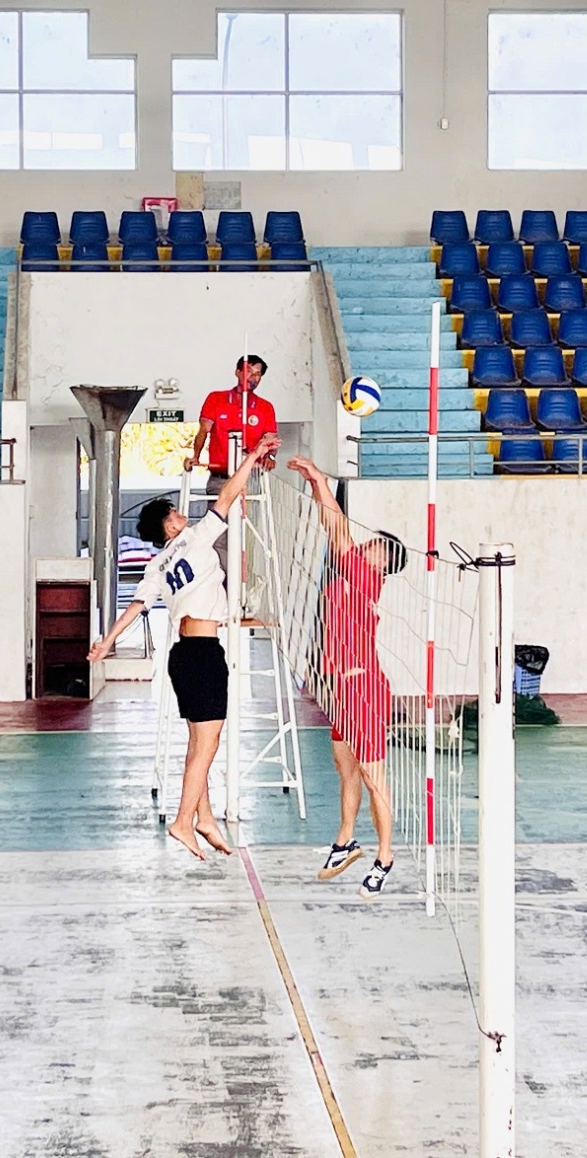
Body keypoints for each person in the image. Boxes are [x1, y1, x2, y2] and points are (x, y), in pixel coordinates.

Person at [90, 431, 280, 860]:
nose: (183, 516)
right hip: (204, 653)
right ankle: (182, 821)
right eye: (176, 513)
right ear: (171, 524)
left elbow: (136, 607)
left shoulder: (157, 565)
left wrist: (107, 643)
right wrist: (253, 455)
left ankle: (205, 817)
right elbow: (228, 495)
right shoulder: (194, 538)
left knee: (198, 743)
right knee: (207, 745)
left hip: (182, 656)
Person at [288, 456, 408, 899]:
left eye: (374, 544)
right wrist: (316, 487)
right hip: (341, 689)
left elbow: (336, 528)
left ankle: (385, 857)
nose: (366, 544)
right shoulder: (354, 570)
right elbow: (334, 527)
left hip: (364, 688)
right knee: (345, 768)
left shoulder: (365, 577)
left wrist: (319, 480)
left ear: (382, 561)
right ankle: (345, 841)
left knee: (375, 777)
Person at [185, 355, 279, 584]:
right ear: (237, 372)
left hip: (250, 481)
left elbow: (271, 441)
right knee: (217, 534)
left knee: (246, 535)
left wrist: (270, 456)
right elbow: (203, 431)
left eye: (257, 374)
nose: (252, 378)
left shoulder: (265, 407)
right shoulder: (216, 399)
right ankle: (221, 584)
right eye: (249, 372)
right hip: (220, 478)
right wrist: (195, 457)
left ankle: (242, 586)